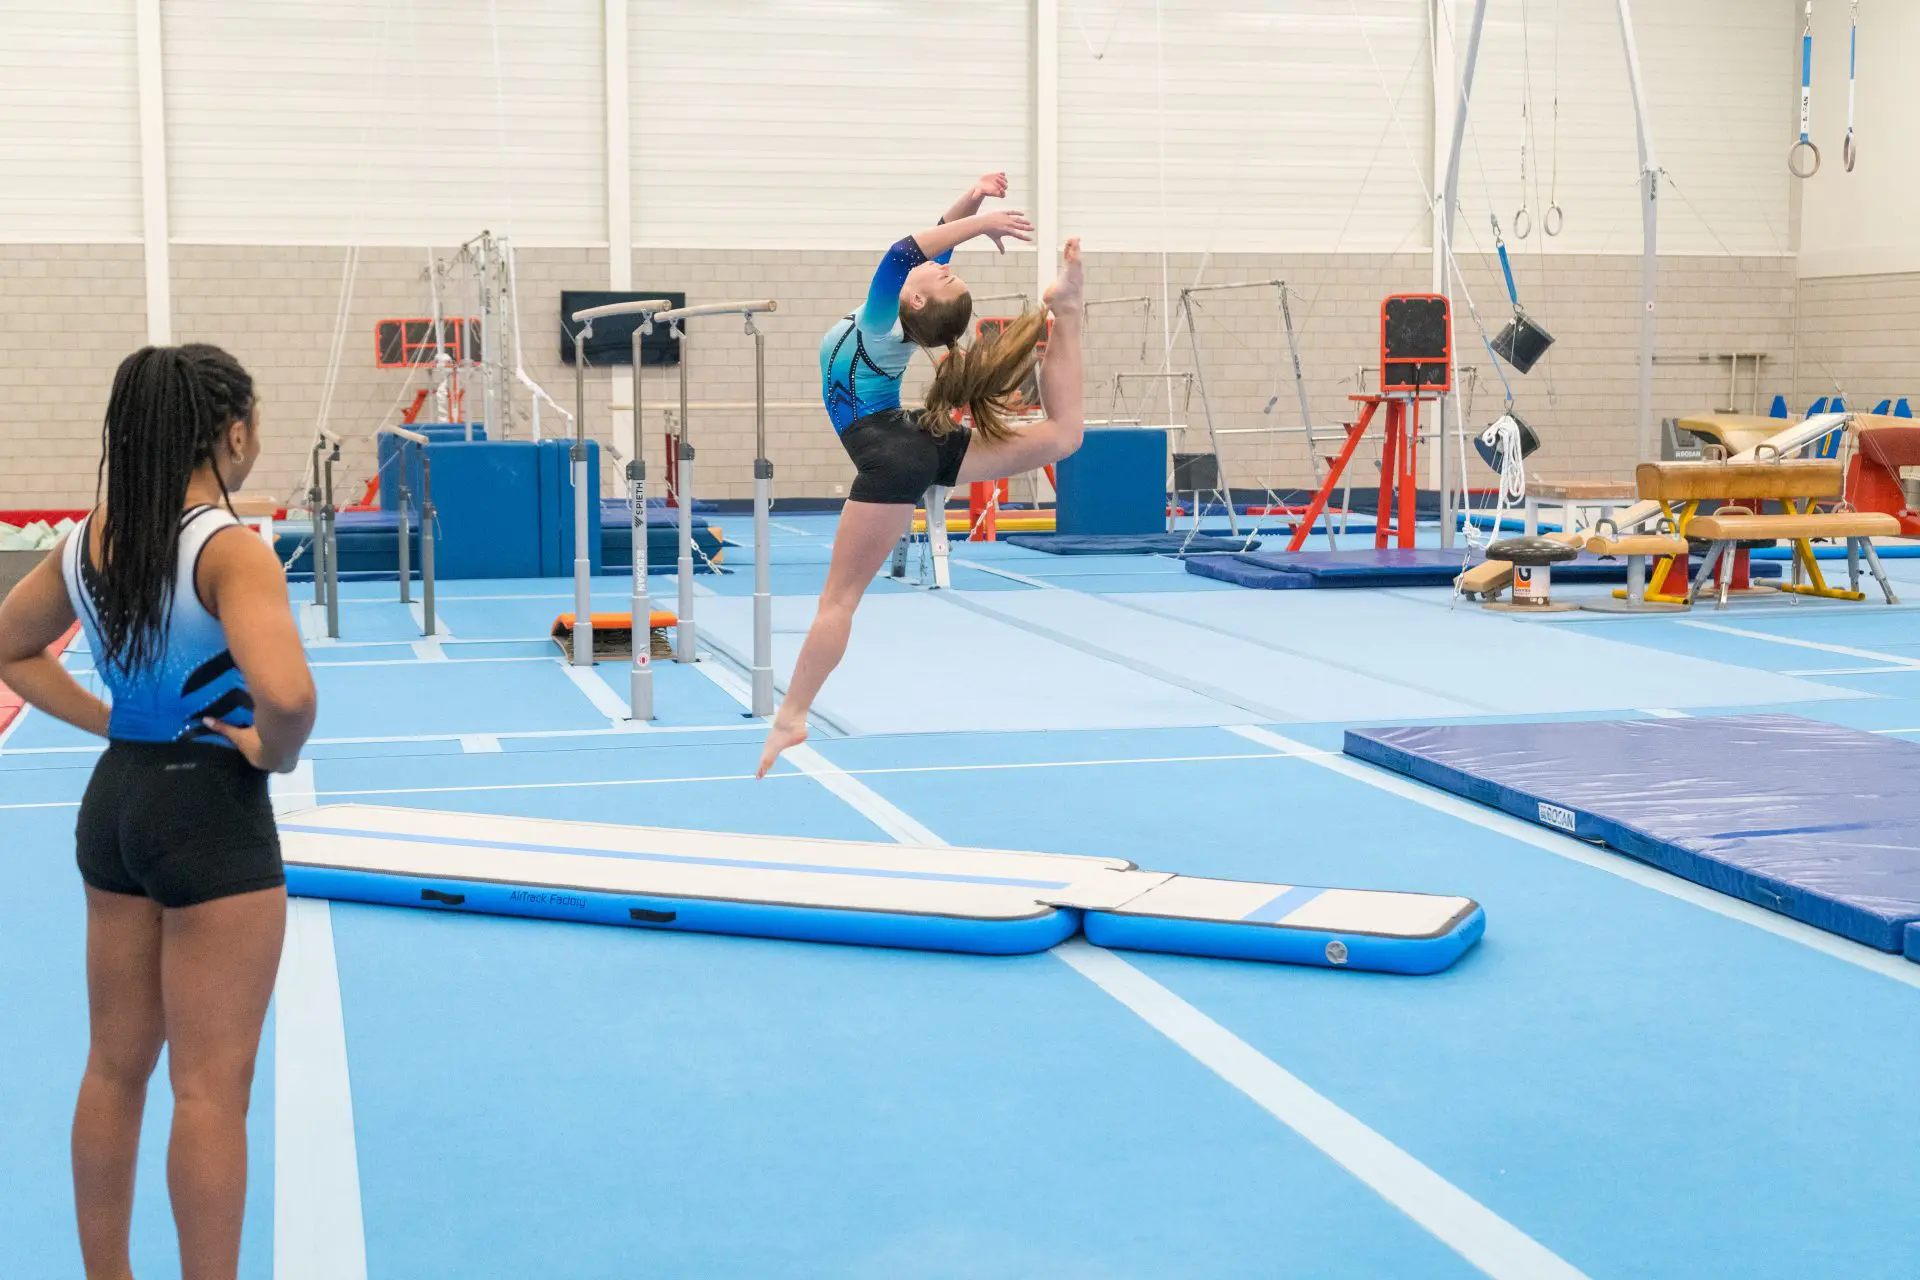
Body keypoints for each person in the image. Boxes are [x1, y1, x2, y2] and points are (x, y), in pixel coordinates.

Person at [0, 344, 316, 1280]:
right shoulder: (229, 548)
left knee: (113, 1068)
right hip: (208, 812)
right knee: (210, 1090)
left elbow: (10, 647)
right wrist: (272, 752)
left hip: (118, 804)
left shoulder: (93, 538)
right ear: (233, 434)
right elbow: (287, 696)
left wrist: (112, 722)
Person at [757, 175, 1085, 778]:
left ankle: (792, 716)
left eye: (942, 276)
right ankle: (1067, 312)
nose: (939, 267)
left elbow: (904, 251)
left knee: (838, 601)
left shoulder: (881, 316)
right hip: (915, 440)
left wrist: (982, 223)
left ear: (914, 300)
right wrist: (975, 201)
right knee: (1064, 435)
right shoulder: (903, 312)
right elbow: (935, 243)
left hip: (890, 454)